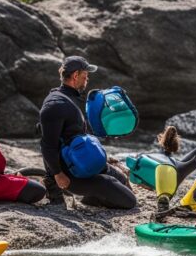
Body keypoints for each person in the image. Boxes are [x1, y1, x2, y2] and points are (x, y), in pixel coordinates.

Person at [39, 56, 136, 209]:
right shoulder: (55, 104)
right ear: (75, 75)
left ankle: (93, 197)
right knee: (130, 202)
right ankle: (92, 196)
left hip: (86, 162)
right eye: (85, 75)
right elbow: (47, 145)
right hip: (73, 175)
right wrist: (58, 175)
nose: (87, 79)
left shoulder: (71, 98)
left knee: (122, 180)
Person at [141, 126, 196, 212]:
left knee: (165, 190)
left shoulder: (148, 156)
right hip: (175, 172)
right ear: (175, 145)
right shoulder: (177, 164)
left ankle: (164, 196)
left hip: (162, 176)